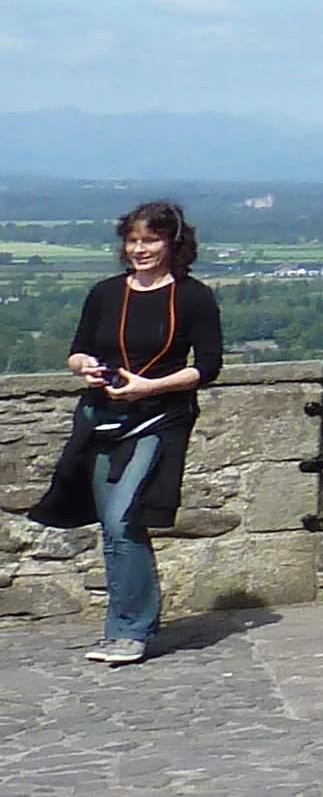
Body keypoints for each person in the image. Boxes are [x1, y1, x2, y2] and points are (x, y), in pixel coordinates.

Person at [23, 200, 225, 666]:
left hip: (158, 418)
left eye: (150, 240)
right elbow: (77, 352)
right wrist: (86, 369)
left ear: (173, 244)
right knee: (114, 529)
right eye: (132, 240)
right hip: (102, 419)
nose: (139, 249)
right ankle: (124, 628)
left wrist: (151, 386)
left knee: (123, 520)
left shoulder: (194, 297)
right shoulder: (105, 293)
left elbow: (208, 366)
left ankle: (131, 631)